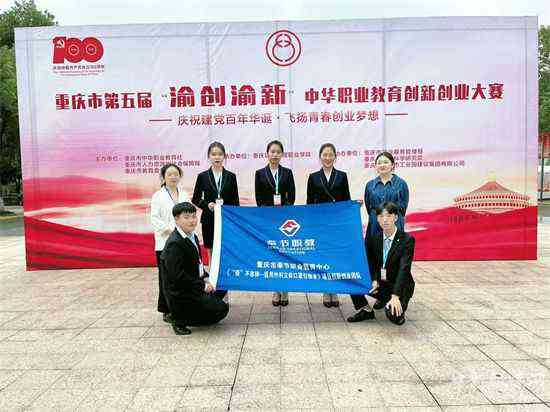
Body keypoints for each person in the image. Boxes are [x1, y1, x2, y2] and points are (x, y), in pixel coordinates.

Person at [161, 202, 229, 335]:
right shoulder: (174, 244)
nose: (192, 221)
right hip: (183, 293)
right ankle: (179, 320)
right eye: (186, 217)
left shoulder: (193, 236)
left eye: (194, 216)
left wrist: (207, 277)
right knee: (221, 310)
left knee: (222, 286)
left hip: (194, 283)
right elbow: (178, 277)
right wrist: (203, 286)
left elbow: (198, 264)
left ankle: (202, 306)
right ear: (176, 219)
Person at [348, 202, 415, 325]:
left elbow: (404, 270)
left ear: (396, 217)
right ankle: (366, 310)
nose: (385, 220)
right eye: (381, 216)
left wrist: (395, 296)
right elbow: (372, 263)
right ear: (377, 219)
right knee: (351, 279)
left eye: (388, 216)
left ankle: (392, 301)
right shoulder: (374, 238)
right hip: (381, 283)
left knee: (394, 317)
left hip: (400, 286)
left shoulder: (407, 240)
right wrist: (374, 279)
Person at [306, 143, 351, 308]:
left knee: (335, 257)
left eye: (330, 154)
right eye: (324, 155)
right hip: (320, 225)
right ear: (320, 157)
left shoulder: (342, 176)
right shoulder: (313, 177)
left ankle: (335, 289)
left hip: (336, 224)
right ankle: (326, 290)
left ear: (335, 157)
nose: (327, 157)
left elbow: (346, 200)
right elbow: (309, 203)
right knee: (323, 257)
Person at [255, 140, 296, 306]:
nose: (275, 154)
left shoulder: (287, 173)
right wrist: (268, 212)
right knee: (271, 254)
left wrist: (284, 210)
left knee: (284, 253)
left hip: (284, 220)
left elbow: (291, 196)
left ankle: (284, 290)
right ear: (267, 153)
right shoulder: (259, 173)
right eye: (272, 151)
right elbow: (259, 198)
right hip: (268, 220)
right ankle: (275, 290)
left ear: (282, 154)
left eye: (278, 152)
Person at [150, 163, 189, 323]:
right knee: (166, 278)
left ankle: (183, 306)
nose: (173, 177)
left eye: (176, 174)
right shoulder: (158, 196)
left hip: (184, 242)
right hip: (165, 243)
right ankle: (166, 309)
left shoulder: (184, 194)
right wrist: (170, 230)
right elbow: (154, 218)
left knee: (182, 275)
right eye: (170, 174)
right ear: (163, 177)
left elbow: (190, 215)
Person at [192, 142, 239, 264]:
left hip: (226, 218)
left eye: (220, 154)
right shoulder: (202, 176)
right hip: (209, 218)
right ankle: (212, 271)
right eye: (213, 154)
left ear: (224, 156)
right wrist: (207, 205)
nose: (217, 157)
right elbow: (195, 198)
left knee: (226, 246)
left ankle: (226, 269)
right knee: (210, 246)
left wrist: (232, 217)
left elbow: (235, 201)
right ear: (209, 156)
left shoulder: (231, 176)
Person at [364, 151, 409, 238]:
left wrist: (390, 215)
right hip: (375, 224)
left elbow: (403, 208)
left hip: (395, 223)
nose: (382, 165)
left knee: (394, 246)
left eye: (385, 162)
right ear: (375, 166)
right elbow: (369, 208)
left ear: (392, 165)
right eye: (379, 163)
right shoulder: (370, 185)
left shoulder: (401, 184)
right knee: (375, 245)